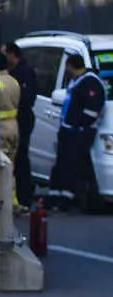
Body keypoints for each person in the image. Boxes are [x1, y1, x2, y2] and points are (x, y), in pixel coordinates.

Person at [48, 52, 106, 211]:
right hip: (69, 130)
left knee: (71, 166)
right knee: (62, 165)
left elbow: (91, 112)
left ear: (70, 66)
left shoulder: (90, 83)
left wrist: (78, 126)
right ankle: (55, 197)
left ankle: (66, 199)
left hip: (78, 132)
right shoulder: (77, 82)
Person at [1, 42, 37, 213]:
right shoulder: (13, 76)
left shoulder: (23, 73)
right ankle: (17, 197)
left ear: (11, 54)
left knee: (20, 158)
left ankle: (23, 196)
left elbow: (27, 99)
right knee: (15, 159)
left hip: (20, 121)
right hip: (15, 122)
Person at [0, 64, 21, 179]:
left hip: (0, 127)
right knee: (11, 166)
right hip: (14, 126)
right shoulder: (14, 82)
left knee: (1, 168)